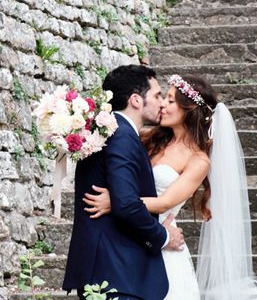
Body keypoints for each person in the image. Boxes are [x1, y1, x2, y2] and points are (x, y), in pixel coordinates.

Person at [83, 74, 257, 300]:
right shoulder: (146, 138)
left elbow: (166, 201)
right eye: (163, 98)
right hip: (129, 232)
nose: (162, 106)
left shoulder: (198, 160)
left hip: (164, 240)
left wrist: (115, 202)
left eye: (169, 100)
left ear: (189, 109)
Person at [62, 65, 185, 300]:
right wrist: (164, 236)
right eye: (157, 95)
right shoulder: (122, 137)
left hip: (109, 272)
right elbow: (127, 204)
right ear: (136, 100)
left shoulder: (107, 132)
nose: (162, 103)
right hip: (116, 274)